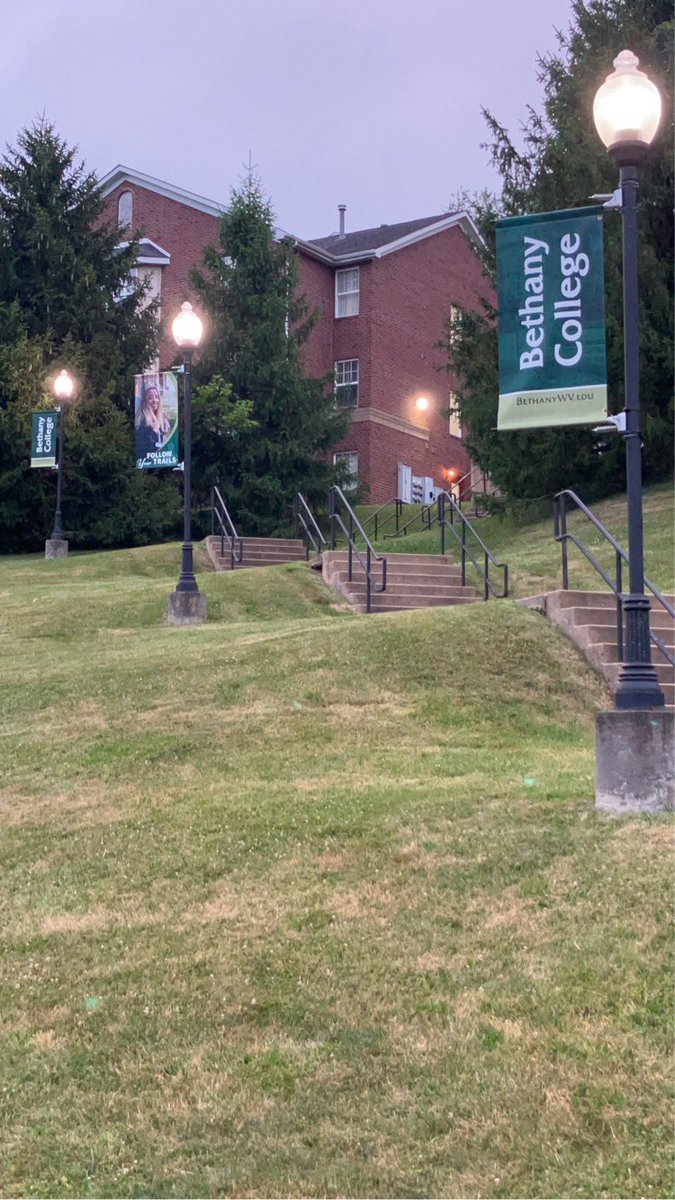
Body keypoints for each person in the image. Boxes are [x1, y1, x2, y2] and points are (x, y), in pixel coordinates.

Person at [135, 383, 171, 458]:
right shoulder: (142, 420)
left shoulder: (161, 419)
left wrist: (166, 434)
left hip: (160, 460)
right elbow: (142, 449)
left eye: (157, 397)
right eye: (150, 398)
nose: (155, 400)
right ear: (145, 402)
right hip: (147, 462)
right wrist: (154, 431)